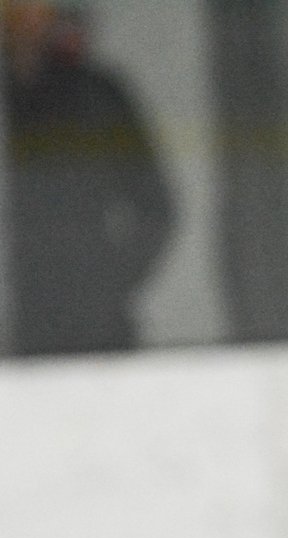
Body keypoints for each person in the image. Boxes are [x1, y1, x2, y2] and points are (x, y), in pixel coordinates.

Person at [3, 0, 173, 355]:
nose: (20, 13)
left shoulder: (96, 95)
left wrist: (103, 288)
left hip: (90, 335)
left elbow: (155, 209)